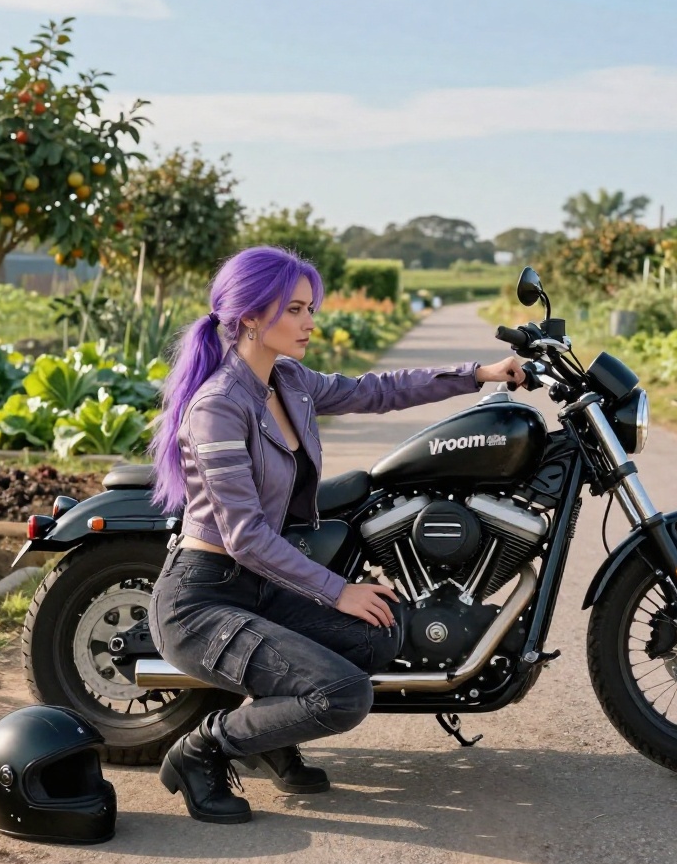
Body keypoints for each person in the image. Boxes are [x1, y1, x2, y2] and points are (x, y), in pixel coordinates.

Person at [148, 245, 525, 824]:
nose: (310, 322)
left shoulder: (288, 381)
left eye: (310, 309)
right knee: (345, 694)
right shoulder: (218, 407)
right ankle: (203, 749)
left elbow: (378, 390)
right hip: (202, 599)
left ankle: (269, 735)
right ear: (251, 317)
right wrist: (337, 590)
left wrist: (478, 374)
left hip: (259, 587)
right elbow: (244, 536)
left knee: (381, 634)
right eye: (295, 310)